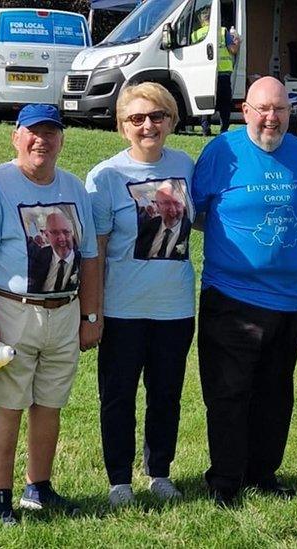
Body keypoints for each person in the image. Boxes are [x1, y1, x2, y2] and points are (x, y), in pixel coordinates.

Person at [0, 104, 99, 523]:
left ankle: (38, 486)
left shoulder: (74, 187)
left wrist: (91, 316)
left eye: (52, 132)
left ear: (62, 138)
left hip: (64, 310)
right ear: (16, 136)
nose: (42, 140)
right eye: (33, 132)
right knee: (8, 406)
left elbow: (90, 257)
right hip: (13, 309)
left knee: (50, 405)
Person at [191, 76, 297, 506]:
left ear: (289, 112)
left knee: (276, 393)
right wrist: (233, 238)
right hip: (230, 296)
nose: (271, 118)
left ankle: (263, 474)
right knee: (228, 393)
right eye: (263, 108)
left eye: (279, 109)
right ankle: (225, 480)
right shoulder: (221, 152)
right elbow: (194, 211)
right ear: (245, 110)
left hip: (289, 298)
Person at [85, 82, 196, 507]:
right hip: (122, 308)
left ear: (171, 120)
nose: (148, 125)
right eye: (137, 118)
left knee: (166, 394)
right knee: (118, 395)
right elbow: (93, 251)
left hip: (175, 306)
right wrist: (92, 313)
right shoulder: (105, 176)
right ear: (122, 125)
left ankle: (160, 472)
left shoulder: (185, 165)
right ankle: (119, 481)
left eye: (157, 116)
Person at [191, 8, 239, 136]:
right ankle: (224, 129)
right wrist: (237, 41)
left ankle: (205, 128)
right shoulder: (223, 31)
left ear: (201, 21)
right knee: (224, 104)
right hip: (223, 73)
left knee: (205, 101)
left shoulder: (195, 35)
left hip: (204, 73)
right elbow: (233, 49)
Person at [26, 211, 82, 294]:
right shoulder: (39, 255)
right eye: (55, 233)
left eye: (66, 232)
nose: (62, 238)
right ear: (47, 236)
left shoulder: (81, 258)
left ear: (72, 234)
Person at [135, 182, 193, 259]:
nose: (173, 209)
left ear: (184, 205)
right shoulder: (147, 226)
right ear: (158, 206)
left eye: (177, 203)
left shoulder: (188, 227)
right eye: (166, 203)